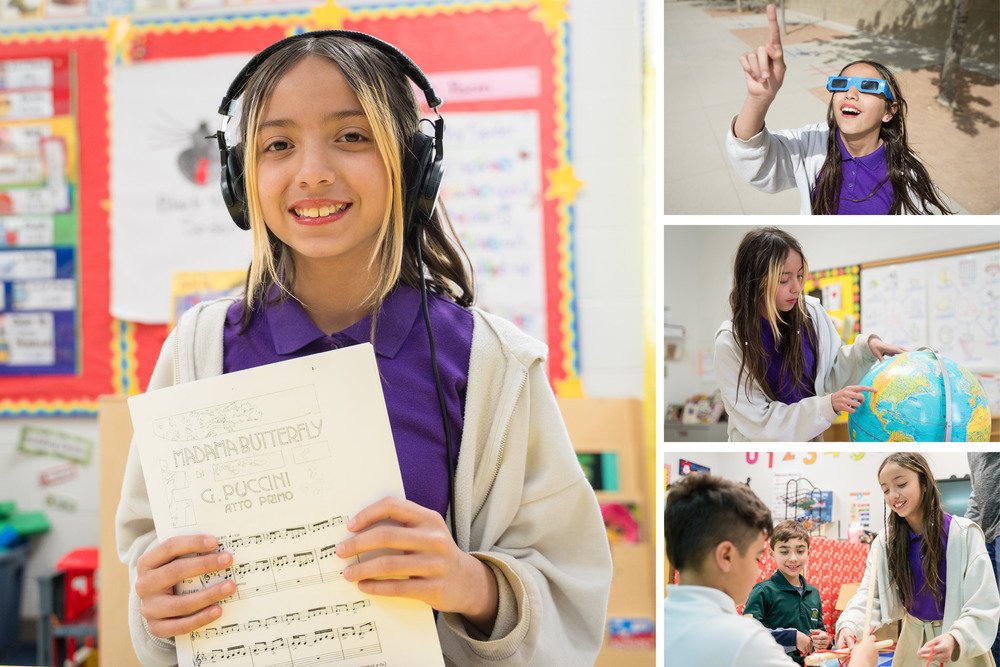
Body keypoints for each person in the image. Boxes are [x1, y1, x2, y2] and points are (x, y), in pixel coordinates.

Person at [115, 31, 612, 666]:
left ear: (413, 162)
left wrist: (471, 583)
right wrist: (159, 607)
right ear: (241, 179)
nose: (312, 171)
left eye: (351, 136)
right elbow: (150, 557)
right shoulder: (198, 351)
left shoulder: (491, 362)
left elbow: (568, 582)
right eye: (278, 145)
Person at [725, 4, 952, 215]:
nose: (850, 93)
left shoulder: (908, 175)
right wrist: (758, 98)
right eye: (841, 84)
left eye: (868, 86)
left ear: (889, 111)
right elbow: (755, 161)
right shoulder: (812, 143)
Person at [663, 473, 878, 667]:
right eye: (757, 557)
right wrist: (862, 662)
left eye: (800, 551)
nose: (758, 571)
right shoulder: (744, 640)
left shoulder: (657, 619)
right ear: (726, 556)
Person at [714, 227, 905, 441]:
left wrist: (865, 349)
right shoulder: (730, 343)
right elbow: (760, 424)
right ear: (755, 282)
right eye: (784, 280)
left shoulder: (811, 313)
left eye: (799, 276)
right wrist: (826, 406)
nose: (797, 288)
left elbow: (831, 373)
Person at [836, 453, 1000, 666]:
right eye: (885, 490)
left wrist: (956, 637)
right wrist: (849, 625)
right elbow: (871, 594)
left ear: (924, 482)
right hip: (913, 643)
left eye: (901, 484)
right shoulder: (886, 542)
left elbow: (983, 601)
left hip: (957, 644)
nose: (893, 495)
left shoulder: (964, 534)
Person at [744, 520, 830, 665]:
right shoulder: (763, 591)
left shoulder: (813, 592)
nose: (793, 558)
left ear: (808, 552)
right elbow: (748, 634)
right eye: (784, 552)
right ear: (772, 554)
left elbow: (819, 630)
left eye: (800, 551)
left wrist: (824, 639)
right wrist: (791, 637)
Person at [967, 453, 1000, 665]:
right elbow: (977, 488)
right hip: (986, 531)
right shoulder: (972, 450)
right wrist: (965, 528)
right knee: (992, 616)